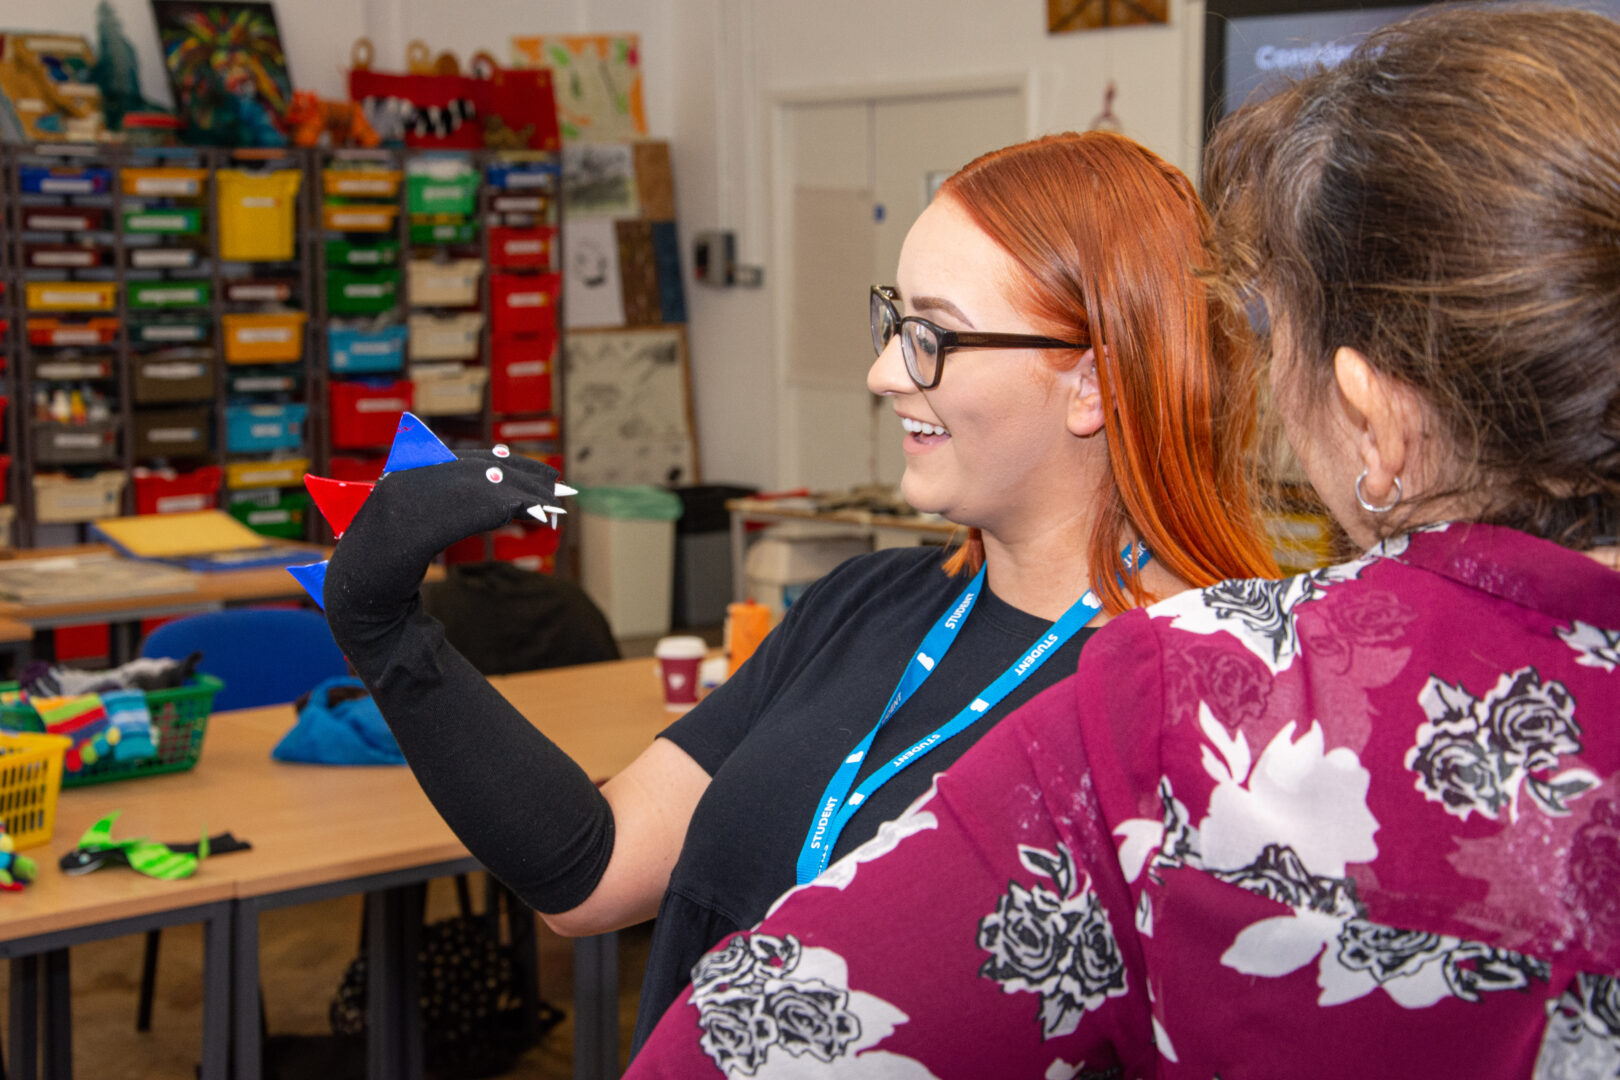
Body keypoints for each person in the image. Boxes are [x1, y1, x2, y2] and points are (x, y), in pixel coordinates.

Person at [622, 6, 1620, 1077]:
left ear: (1371, 412)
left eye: (1275, 330)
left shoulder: (1205, 700)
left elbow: (743, 1043)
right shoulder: (886, 604)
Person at [318, 130, 1277, 1050]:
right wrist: (388, 632)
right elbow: (592, 871)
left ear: (1092, 385)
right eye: (893, 322)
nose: (882, 372)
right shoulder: (866, 605)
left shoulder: (1198, 698)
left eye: (931, 336)